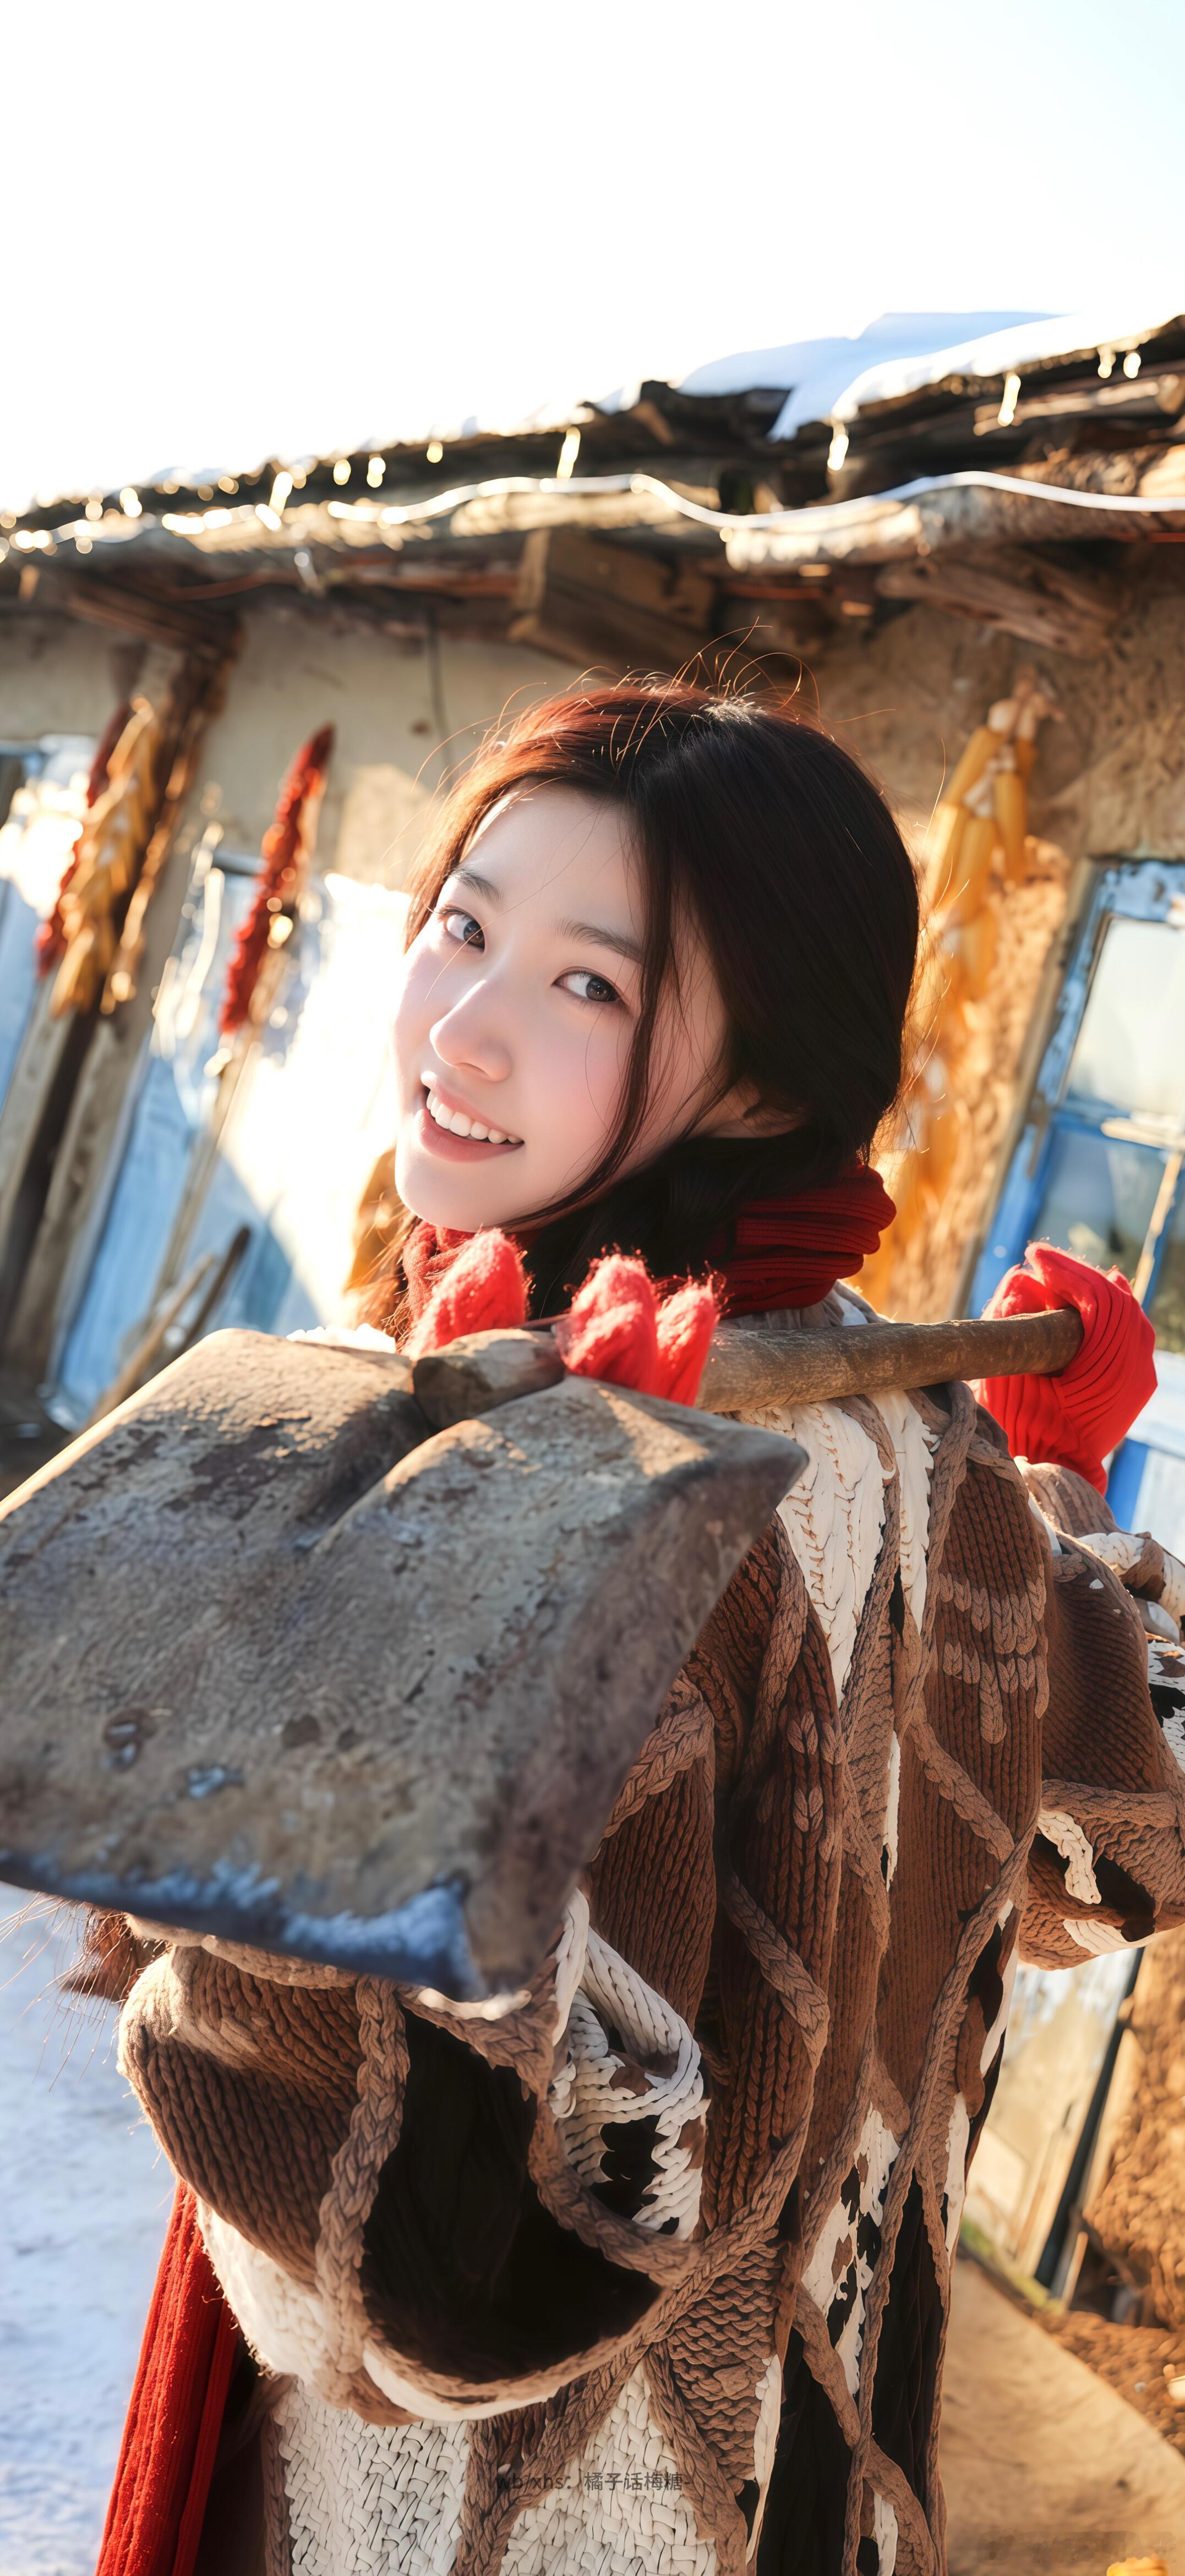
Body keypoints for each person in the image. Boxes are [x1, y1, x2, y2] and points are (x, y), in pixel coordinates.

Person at [92, 681, 1184, 2576]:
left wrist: (339, 1742)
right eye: (463, 925)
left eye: (589, 984)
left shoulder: (631, 1496)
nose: (465, 1025)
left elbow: (440, 2289)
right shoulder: (918, 1451)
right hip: (825, 2499)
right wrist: (1056, 1473)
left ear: (761, 1082)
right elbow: (1119, 1832)